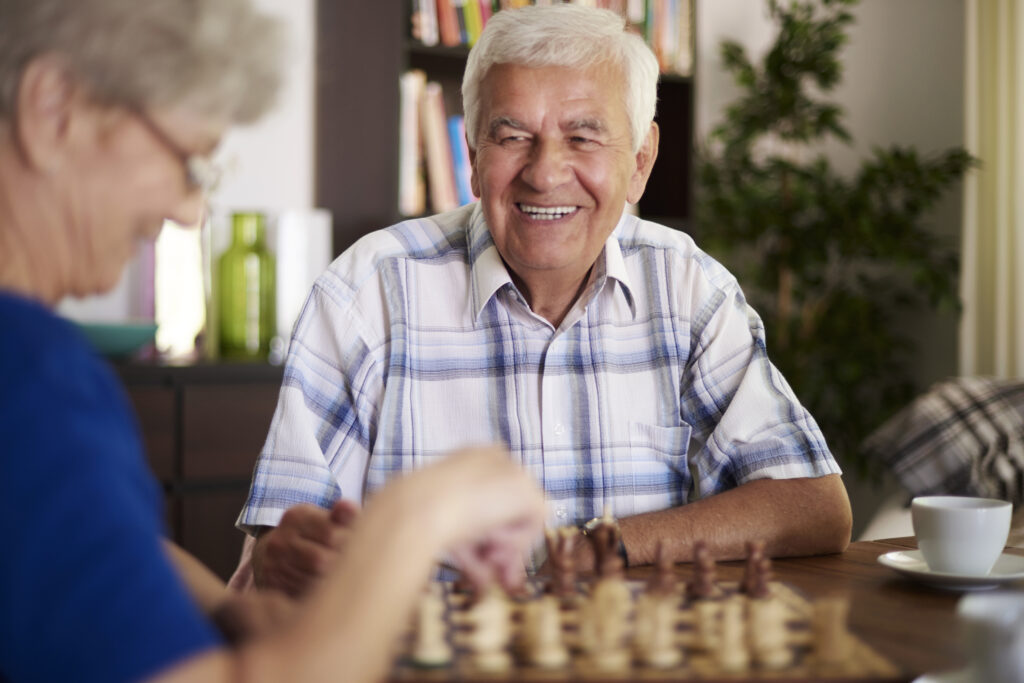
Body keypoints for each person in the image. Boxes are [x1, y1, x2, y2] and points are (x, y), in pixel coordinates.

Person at [0, 1, 546, 682]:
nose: (189, 209)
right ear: (53, 110)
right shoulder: (31, 376)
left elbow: (64, 537)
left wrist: (218, 607)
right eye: (188, 162)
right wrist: (418, 515)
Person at [235, 3, 852, 595]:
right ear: (473, 157)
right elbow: (277, 552)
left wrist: (599, 547)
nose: (545, 173)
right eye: (513, 136)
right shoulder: (364, 294)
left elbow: (812, 506)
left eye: (583, 137)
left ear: (640, 162)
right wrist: (293, 555)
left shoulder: (691, 290)